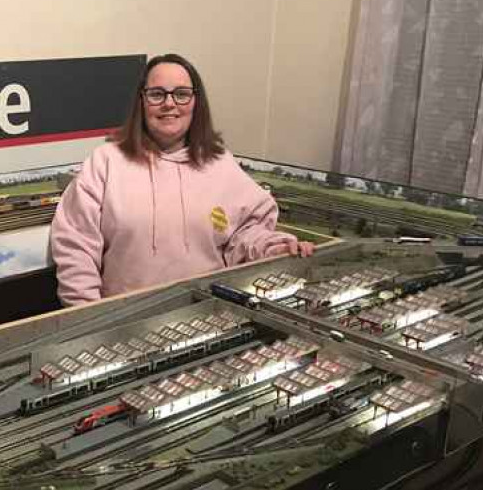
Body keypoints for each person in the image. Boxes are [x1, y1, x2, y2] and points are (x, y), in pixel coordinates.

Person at [50, 53, 315, 306]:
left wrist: (276, 249)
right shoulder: (106, 162)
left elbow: (245, 236)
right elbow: (76, 249)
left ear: (195, 102)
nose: (169, 104)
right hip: (122, 326)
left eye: (181, 94)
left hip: (206, 317)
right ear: (141, 102)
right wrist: (89, 321)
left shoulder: (220, 164)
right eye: (157, 94)